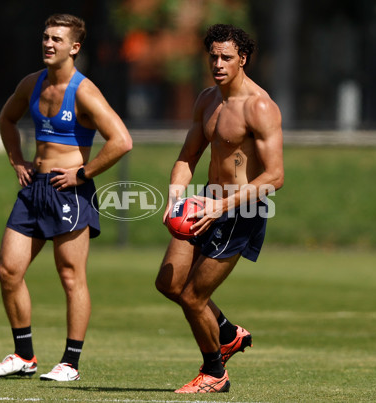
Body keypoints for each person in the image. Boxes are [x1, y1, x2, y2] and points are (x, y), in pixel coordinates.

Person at [0, 13, 132, 382]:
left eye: (57, 40)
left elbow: (122, 141)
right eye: (46, 37)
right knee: (8, 271)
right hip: (35, 190)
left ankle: (70, 363)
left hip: (70, 191)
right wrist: (17, 159)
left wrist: (83, 173)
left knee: (70, 276)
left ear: (74, 48)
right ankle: (24, 356)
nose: (48, 44)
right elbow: (7, 119)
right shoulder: (32, 84)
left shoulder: (84, 91)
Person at [155, 24, 284, 394]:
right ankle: (226, 333)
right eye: (212, 56)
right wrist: (175, 197)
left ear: (243, 59)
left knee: (194, 295)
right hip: (204, 202)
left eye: (226, 57)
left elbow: (275, 177)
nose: (218, 63)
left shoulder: (260, 106)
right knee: (169, 283)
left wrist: (222, 205)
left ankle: (214, 373)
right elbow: (188, 156)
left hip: (241, 210)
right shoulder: (207, 99)